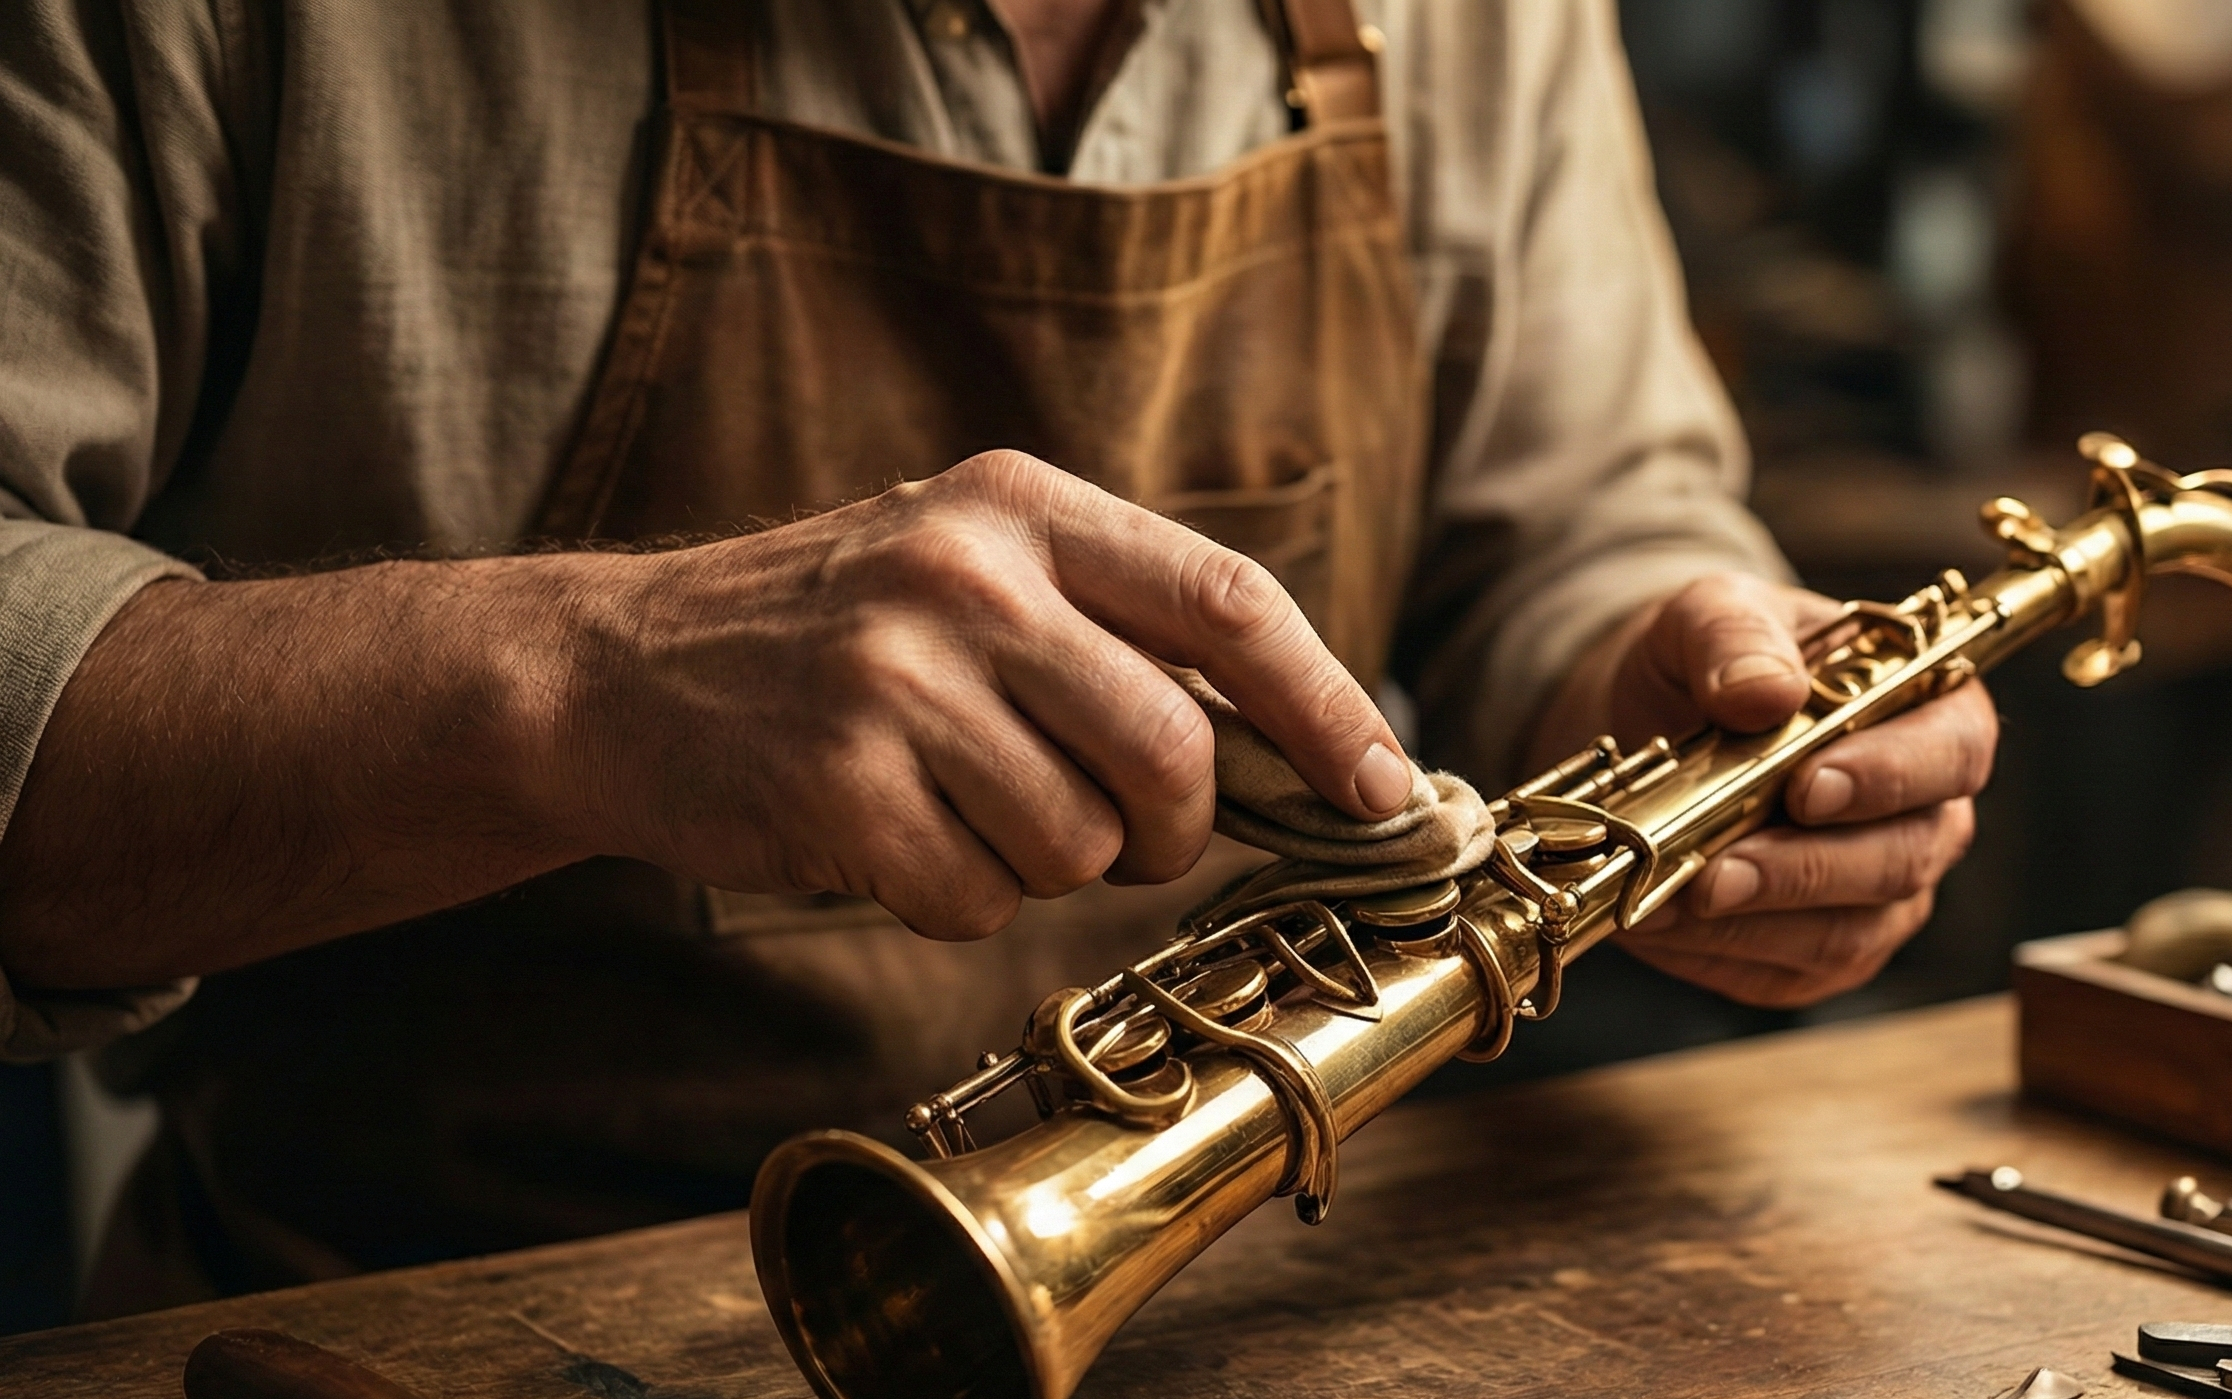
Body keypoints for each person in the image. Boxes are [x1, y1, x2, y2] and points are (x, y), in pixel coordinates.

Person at [0, 0, 1996, 1314]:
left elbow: (1577, 520)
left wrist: (1671, 681)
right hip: (403, 1385)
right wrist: (582, 681)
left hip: (1264, 1329)